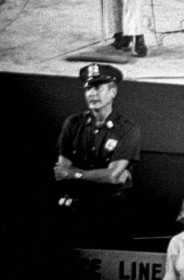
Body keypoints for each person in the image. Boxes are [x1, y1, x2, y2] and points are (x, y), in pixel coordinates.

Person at [54, 64, 141, 247]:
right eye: (88, 88)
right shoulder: (73, 123)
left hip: (112, 211)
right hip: (78, 208)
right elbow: (61, 173)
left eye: (98, 88)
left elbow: (112, 175)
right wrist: (102, 176)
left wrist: (75, 174)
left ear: (113, 91)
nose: (92, 94)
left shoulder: (127, 128)